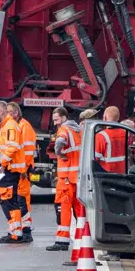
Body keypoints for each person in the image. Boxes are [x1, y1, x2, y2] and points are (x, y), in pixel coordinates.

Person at [0, 101, 28, 245]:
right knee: (8, 201)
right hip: (8, 169)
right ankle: (15, 232)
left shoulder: (10, 126)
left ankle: (15, 234)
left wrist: (3, 164)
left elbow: (12, 148)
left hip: (9, 169)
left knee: (9, 201)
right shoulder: (7, 125)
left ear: (1, 111)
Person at [48, 106, 82, 251]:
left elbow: (60, 141)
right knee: (80, 210)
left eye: (56, 120)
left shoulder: (64, 129)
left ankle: (62, 241)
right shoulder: (78, 130)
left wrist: (58, 153)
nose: (55, 123)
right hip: (77, 177)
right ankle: (83, 239)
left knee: (64, 208)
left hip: (66, 177)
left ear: (63, 117)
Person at [8, 103, 38, 242]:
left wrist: (23, 170)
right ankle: (20, 230)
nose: (7, 115)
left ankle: (26, 231)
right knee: (19, 201)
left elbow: (27, 152)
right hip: (19, 170)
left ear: (15, 113)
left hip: (23, 171)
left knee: (22, 201)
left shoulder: (24, 127)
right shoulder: (19, 125)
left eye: (9, 112)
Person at [94, 104, 129, 174]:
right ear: (118, 118)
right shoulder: (125, 133)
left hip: (107, 175)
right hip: (122, 174)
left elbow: (95, 158)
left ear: (104, 118)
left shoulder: (101, 136)